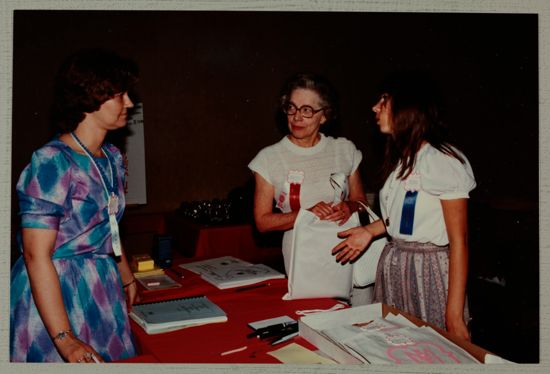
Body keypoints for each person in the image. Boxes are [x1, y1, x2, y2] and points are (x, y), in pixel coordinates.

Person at [10, 48, 139, 362]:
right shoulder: (52, 161)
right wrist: (65, 339)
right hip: (57, 291)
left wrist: (125, 274)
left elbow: (109, 226)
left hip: (101, 284)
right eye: (121, 95)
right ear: (92, 98)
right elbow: (35, 254)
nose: (130, 104)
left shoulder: (111, 157)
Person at [332, 71, 476, 341]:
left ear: (410, 106)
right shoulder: (405, 160)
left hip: (429, 272)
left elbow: (460, 241)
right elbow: (402, 218)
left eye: (384, 100)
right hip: (398, 267)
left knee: (434, 348)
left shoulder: (442, 162)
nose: (375, 107)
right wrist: (369, 231)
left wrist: (454, 316)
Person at [248, 73, 367, 274]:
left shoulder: (344, 149)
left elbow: (362, 202)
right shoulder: (269, 158)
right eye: (291, 107)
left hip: (352, 252)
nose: (296, 117)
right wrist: (305, 214)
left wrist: (349, 206)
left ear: (325, 115)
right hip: (304, 258)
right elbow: (262, 222)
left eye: (307, 110)